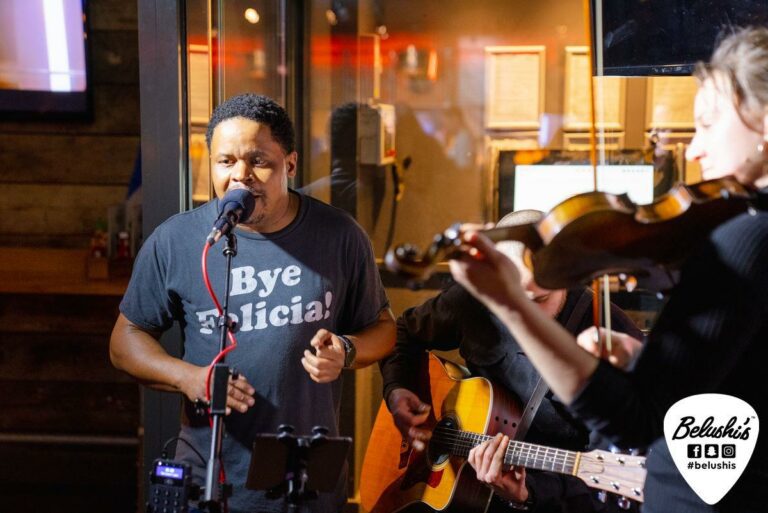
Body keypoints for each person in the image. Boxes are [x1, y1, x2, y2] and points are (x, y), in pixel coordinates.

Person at [448, 26, 768, 513]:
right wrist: (643, 361)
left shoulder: (746, 238)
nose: (695, 148)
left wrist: (510, 303)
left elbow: (636, 420)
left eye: (707, 123)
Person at [110, 93, 396, 513]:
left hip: (304, 486)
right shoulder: (178, 240)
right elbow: (124, 341)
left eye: (258, 161)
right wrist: (190, 378)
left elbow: (384, 327)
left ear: (290, 165)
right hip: (208, 485)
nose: (240, 176)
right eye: (225, 162)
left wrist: (348, 351)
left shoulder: (339, 235)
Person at [381, 209, 644, 512]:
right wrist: (398, 389)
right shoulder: (476, 298)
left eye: (539, 301)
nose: (525, 317)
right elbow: (404, 332)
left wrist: (527, 492)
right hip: (468, 487)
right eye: (512, 300)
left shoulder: (609, 334)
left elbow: (612, 476)